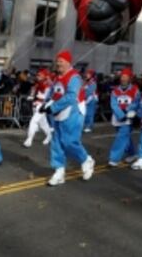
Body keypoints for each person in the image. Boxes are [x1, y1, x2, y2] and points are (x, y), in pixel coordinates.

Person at [45, 50, 95, 186]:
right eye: (57, 61)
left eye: (61, 61)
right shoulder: (58, 77)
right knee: (56, 143)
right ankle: (59, 170)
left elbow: (71, 96)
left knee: (69, 141)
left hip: (73, 111)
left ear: (68, 62)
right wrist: (46, 104)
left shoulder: (74, 77)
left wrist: (53, 107)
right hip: (59, 113)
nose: (58, 63)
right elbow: (53, 93)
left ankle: (86, 160)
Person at [109, 68, 140, 167]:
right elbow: (113, 103)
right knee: (125, 137)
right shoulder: (115, 91)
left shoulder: (135, 90)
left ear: (129, 78)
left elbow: (136, 102)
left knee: (121, 138)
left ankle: (114, 159)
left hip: (128, 118)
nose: (123, 79)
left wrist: (126, 111)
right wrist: (120, 114)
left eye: (125, 77)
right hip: (118, 118)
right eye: (122, 77)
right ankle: (132, 153)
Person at [23, 69, 53, 148]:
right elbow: (35, 93)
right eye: (38, 75)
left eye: (40, 75)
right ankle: (49, 136)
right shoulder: (38, 83)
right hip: (36, 104)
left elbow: (47, 96)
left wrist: (44, 104)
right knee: (43, 123)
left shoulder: (47, 84)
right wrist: (31, 97)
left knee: (33, 121)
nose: (37, 76)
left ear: (44, 76)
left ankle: (29, 139)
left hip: (42, 105)